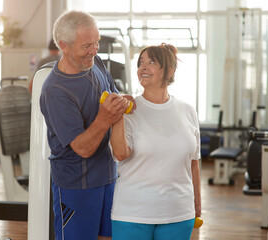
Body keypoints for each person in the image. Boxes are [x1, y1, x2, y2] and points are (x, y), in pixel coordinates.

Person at [39, 10, 134, 240]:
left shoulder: (96, 63)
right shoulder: (55, 91)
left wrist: (122, 102)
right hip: (76, 187)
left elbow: (113, 96)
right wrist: (105, 117)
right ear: (64, 46)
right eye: (86, 46)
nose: (94, 50)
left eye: (96, 43)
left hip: (108, 177)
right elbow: (83, 148)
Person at [110, 43, 201, 240]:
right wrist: (118, 116)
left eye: (151, 62)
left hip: (179, 211)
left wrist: (197, 204)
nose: (143, 67)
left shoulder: (188, 111)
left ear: (169, 70)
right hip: (133, 213)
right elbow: (120, 153)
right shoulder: (129, 110)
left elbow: (193, 162)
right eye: (140, 63)